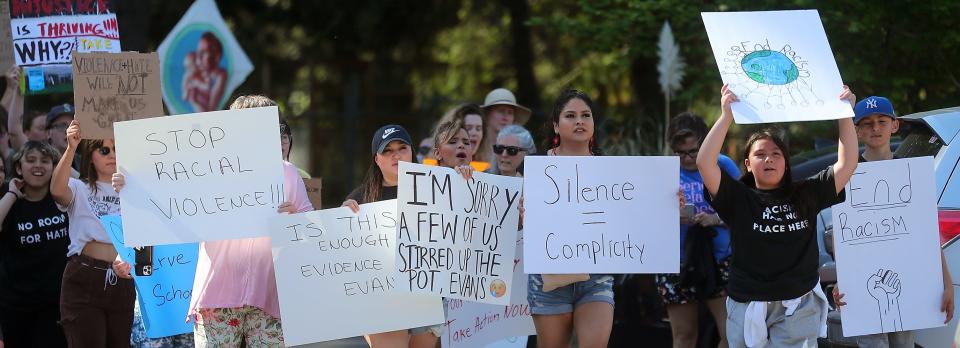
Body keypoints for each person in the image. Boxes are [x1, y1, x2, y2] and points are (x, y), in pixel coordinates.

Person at [696, 84, 858, 347]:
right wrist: (726, 115)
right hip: (747, 304)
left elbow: (848, 162)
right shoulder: (737, 197)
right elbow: (705, 162)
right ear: (748, 164)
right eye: (760, 154)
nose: (768, 159)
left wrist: (843, 113)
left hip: (799, 304)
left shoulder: (807, 192)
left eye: (776, 154)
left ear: (786, 162)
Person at [187, 95, 311, 347]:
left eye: (271, 126)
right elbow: (172, 204)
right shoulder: (208, 169)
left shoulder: (288, 173)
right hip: (218, 294)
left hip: (270, 294)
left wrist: (294, 220)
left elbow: (310, 228)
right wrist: (130, 185)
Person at [832, 96, 954, 348]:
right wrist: (840, 280)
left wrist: (946, 281)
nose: (875, 128)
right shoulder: (847, 175)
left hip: (906, 287)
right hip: (864, 289)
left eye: (881, 121)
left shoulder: (913, 175)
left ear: (894, 125)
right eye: (866, 123)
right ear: (856, 129)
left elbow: (927, 233)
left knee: (904, 343)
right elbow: (842, 236)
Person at [340, 124, 439, 348]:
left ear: (412, 152)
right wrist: (342, 218)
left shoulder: (436, 188)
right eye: (387, 150)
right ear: (377, 159)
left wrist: (466, 176)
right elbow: (342, 252)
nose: (396, 155)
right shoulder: (360, 199)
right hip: (382, 300)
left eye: (402, 148)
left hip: (426, 296)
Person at [528, 89, 613, 348]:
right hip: (549, 278)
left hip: (596, 276)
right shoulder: (534, 168)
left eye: (586, 115)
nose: (580, 121)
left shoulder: (613, 171)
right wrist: (524, 216)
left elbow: (631, 215)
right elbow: (516, 222)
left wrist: (666, 205)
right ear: (556, 125)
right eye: (570, 115)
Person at [655, 112, 739, 348]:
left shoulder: (722, 164)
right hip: (677, 261)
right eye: (680, 153)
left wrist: (715, 218)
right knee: (684, 336)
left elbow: (743, 208)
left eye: (693, 151)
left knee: (732, 335)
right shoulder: (663, 171)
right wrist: (671, 216)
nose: (688, 158)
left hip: (719, 257)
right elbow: (647, 218)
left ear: (705, 143)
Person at [51, 120, 136, 347]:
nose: (112, 155)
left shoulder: (136, 189)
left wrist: (133, 188)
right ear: (90, 156)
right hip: (84, 276)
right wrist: (71, 148)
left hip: (125, 279)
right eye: (104, 149)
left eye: (118, 149)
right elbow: (57, 191)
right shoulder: (80, 187)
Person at [0, 141, 69, 347]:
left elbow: (82, 181)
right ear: (19, 168)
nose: (38, 165)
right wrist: (12, 194)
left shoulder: (64, 197)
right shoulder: (8, 201)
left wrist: (62, 165)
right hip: (16, 307)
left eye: (45, 161)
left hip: (57, 305)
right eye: (30, 161)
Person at [435, 103, 492, 171]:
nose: (474, 133)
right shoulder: (427, 165)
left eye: (478, 129)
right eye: (468, 128)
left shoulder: (492, 168)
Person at [480, 88, 531, 164]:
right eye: (500, 111)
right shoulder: (474, 146)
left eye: (510, 112)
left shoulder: (520, 151)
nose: (505, 117)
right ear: (487, 114)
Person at [183, 32, 227, 112]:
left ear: (216, 56)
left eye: (204, 52)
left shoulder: (220, 76)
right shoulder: (194, 72)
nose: (198, 56)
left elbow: (209, 111)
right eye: (198, 51)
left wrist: (195, 101)